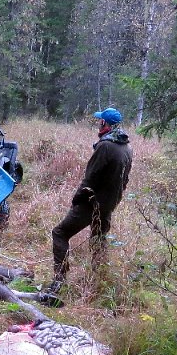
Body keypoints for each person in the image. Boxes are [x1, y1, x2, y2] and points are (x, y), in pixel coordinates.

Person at [48, 107, 133, 294]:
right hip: (109, 204)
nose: (98, 123)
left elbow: (90, 179)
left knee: (60, 233)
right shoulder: (127, 147)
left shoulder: (105, 146)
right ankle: (98, 283)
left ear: (105, 123)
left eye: (100, 121)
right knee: (98, 240)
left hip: (92, 204)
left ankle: (59, 281)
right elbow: (124, 181)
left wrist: (77, 198)